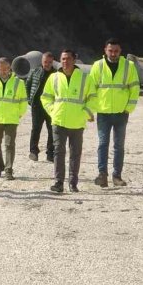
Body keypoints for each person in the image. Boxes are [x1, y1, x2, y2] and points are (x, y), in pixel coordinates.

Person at [41, 49, 98, 193]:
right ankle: (58, 183)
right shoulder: (53, 78)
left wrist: (85, 113)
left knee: (75, 154)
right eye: (63, 59)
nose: (65, 62)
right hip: (58, 121)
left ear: (74, 60)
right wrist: (52, 111)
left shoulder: (86, 78)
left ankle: (73, 183)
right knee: (58, 153)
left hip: (77, 123)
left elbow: (93, 99)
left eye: (68, 59)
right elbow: (45, 97)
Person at [89, 38, 140, 188]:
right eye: (110, 50)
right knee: (103, 144)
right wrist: (91, 109)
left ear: (120, 51)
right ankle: (102, 175)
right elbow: (91, 89)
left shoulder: (128, 66)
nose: (113, 53)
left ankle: (117, 176)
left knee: (119, 145)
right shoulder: (97, 66)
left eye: (116, 51)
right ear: (105, 50)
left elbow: (135, 88)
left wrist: (128, 108)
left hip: (121, 113)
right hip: (103, 113)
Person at [0, 58, 28, 180]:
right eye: (0, 68)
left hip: (11, 119)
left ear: (10, 68)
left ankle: (8, 170)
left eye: (4, 68)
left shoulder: (19, 83)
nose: (2, 71)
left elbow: (24, 101)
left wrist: (18, 114)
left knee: (9, 145)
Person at [24, 52, 56, 162]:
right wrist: (30, 99)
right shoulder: (35, 72)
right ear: (42, 61)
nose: (47, 64)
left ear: (53, 62)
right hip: (37, 106)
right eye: (45, 62)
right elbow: (28, 85)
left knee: (52, 130)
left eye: (49, 62)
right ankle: (33, 151)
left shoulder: (56, 75)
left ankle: (50, 153)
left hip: (51, 106)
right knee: (36, 129)